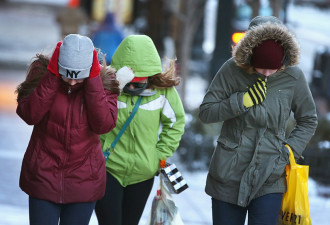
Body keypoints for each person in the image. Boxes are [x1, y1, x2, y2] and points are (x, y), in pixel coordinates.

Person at [199, 16, 318, 225]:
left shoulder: (293, 77)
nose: (267, 73)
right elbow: (207, 112)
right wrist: (240, 102)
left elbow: (308, 119)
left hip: (271, 174)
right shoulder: (231, 69)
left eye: (273, 68)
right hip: (229, 173)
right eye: (261, 68)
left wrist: (288, 151)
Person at [15, 34, 119, 225]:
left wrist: (93, 80)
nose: (72, 83)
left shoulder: (104, 81)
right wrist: (52, 76)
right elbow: (29, 115)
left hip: (84, 181)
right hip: (43, 176)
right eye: (67, 76)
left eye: (78, 78)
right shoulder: (42, 73)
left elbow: (103, 125)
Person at [94, 34, 185, 225]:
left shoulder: (164, 92)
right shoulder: (107, 87)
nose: (133, 86)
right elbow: (93, 116)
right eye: (130, 83)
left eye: (139, 83)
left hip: (142, 174)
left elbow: (176, 123)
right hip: (107, 169)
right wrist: (112, 89)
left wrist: (158, 155)